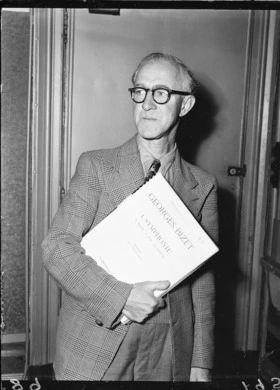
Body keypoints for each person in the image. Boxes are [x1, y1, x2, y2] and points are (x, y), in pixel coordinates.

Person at [42, 52, 218, 382]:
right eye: (140, 91)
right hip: (96, 342)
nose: (147, 104)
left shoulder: (203, 185)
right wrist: (121, 298)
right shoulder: (96, 166)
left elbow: (203, 283)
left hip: (168, 347)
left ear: (186, 105)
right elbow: (56, 248)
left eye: (161, 92)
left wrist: (200, 361)